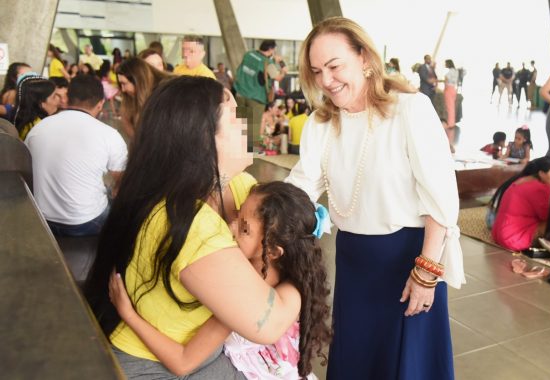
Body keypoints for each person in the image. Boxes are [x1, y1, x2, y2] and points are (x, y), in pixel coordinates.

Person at [83, 76, 302, 379]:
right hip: (153, 364)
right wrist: (304, 277)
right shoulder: (187, 220)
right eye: (234, 117)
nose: (247, 125)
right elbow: (271, 322)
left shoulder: (240, 188)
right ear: (203, 138)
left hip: (207, 353)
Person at [286, 17, 464, 380]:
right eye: (317, 71)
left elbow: (441, 199)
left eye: (335, 67)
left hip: (409, 261)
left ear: (365, 58)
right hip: (353, 261)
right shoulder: (321, 123)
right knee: (357, 358)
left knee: (408, 364)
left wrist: (427, 272)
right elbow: (301, 185)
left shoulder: (409, 110)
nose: (326, 81)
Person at [108, 181, 332, 379]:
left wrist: (128, 314)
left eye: (244, 228)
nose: (230, 228)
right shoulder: (290, 283)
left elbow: (182, 362)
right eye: (236, 215)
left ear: (272, 251)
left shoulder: (242, 299)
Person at [24, 75, 127, 236]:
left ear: (67, 99)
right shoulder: (109, 135)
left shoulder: (37, 129)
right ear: (100, 104)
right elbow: (120, 182)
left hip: (42, 221)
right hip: (85, 223)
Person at [490, 157, 550, 251]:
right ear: (542, 173)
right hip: (512, 238)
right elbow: (545, 216)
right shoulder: (542, 188)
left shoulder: (521, 180)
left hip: (498, 234)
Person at [235, 40, 288, 152]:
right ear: (271, 49)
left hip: (240, 94)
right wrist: (282, 67)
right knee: (253, 126)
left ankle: (237, 149)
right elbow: (278, 77)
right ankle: (251, 154)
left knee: (240, 124)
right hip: (256, 97)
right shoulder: (267, 63)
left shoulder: (248, 54)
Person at [115, 57, 171, 140]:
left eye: (124, 84)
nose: (122, 89)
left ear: (137, 80)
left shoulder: (164, 96)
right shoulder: (133, 99)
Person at [12, 75, 59, 140]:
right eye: (54, 97)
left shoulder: (27, 121)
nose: (58, 99)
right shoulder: (41, 127)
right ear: (40, 104)